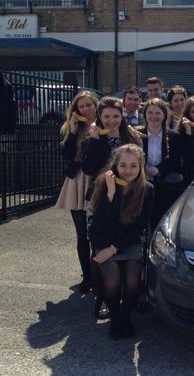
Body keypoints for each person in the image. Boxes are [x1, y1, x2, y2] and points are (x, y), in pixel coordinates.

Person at [81, 96, 142, 319]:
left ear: (122, 116)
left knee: (125, 241)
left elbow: (138, 166)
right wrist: (96, 141)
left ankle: (127, 294)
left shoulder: (131, 136)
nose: (111, 120)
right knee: (98, 246)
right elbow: (88, 168)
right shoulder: (94, 137)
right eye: (106, 116)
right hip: (100, 198)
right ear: (100, 117)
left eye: (116, 116)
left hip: (127, 197)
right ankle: (101, 297)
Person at [88, 144, 154, 339]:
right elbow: (98, 225)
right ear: (115, 166)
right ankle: (115, 317)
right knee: (112, 281)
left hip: (127, 241)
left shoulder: (147, 189)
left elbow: (139, 227)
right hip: (103, 238)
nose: (127, 171)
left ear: (140, 167)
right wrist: (110, 195)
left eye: (133, 166)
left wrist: (114, 249)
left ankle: (125, 317)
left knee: (133, 281)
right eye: (123, 165)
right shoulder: (103, 183)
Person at [55, 90, 99, 293]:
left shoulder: (104, 124)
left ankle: (98, 274)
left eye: (89, 105)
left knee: (98, 232)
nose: (86, 109)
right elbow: (66, 154)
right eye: (81, 106)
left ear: (95, 105)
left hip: (97, 180)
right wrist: (73, 130)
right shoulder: (71, 128)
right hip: (77, 179)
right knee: (82, 234)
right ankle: (86, 277)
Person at [138, 98, 182, 231]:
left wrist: (159, 169)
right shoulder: (138, 134)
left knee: (159, 221)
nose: (154, 117)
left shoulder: (174, 136)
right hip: (141, 184)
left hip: (163, 186)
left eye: (158, 113)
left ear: (164, 115)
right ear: (145, 115)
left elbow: (175, 162)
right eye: (150, 113)